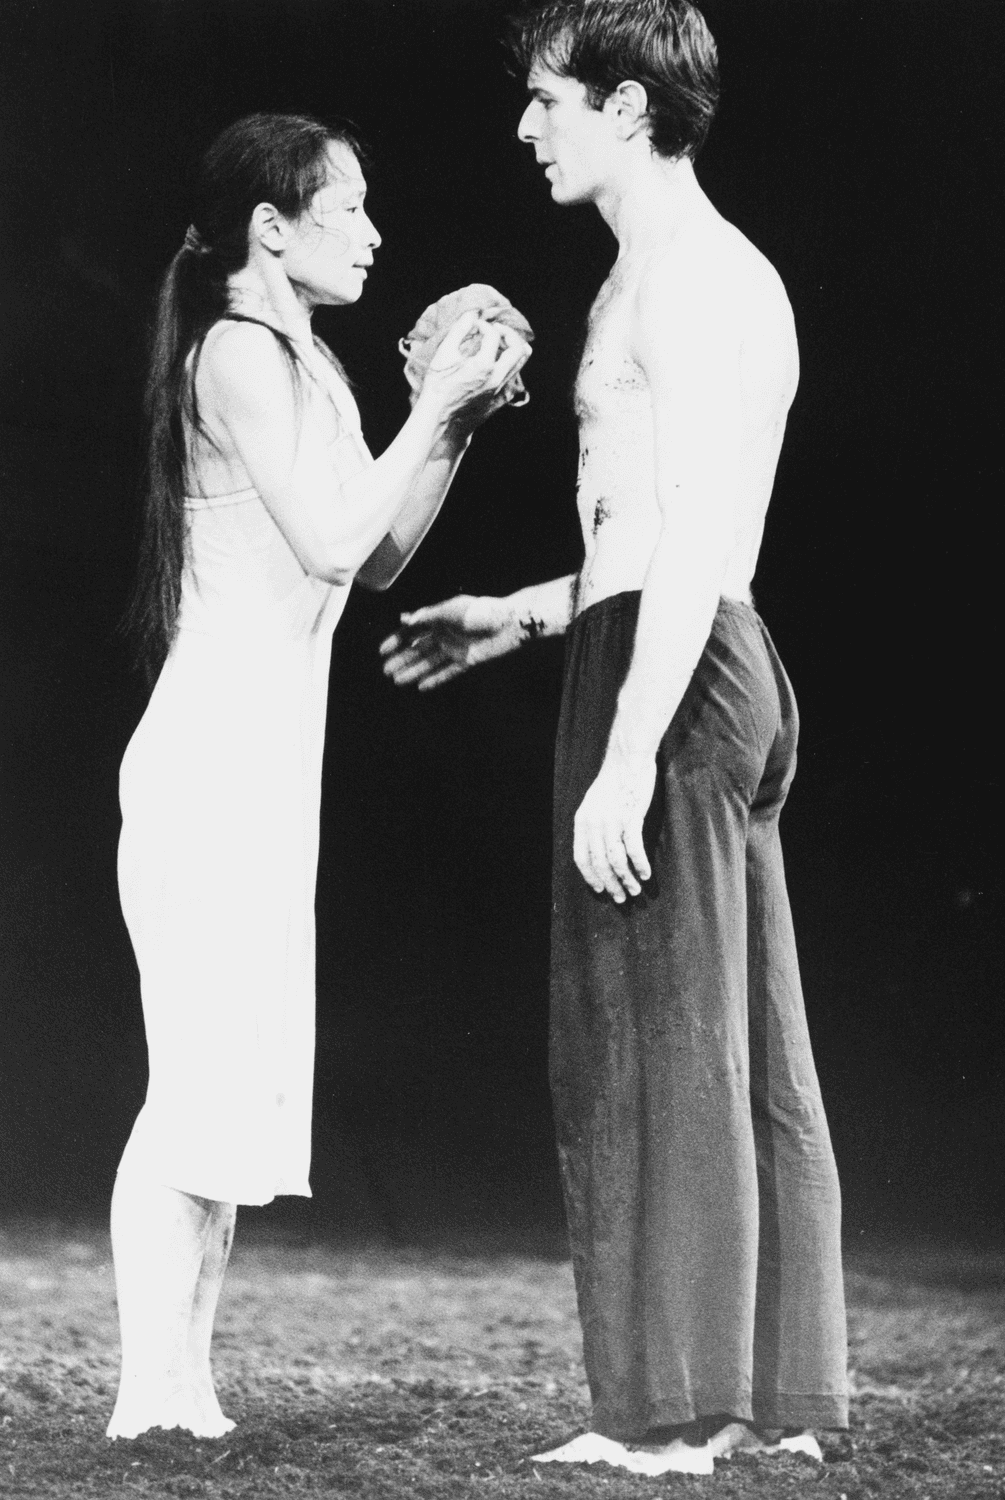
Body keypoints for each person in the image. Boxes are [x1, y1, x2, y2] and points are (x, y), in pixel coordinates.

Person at [381, 0, 847, 1476]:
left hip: (680, 671)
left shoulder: (695, 280)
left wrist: (630, 749)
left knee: (652, 1044)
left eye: (546, 102)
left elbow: (699, 530)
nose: (526, 131)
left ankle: (683, 1412)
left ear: (627, 108)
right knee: (741, 1045)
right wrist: (516, 614)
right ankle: (768, 1402)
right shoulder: (654, 275)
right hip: (674, 647)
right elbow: (644, 528)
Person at [109, 111, 530, 1441]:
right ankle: (143, 1393)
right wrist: (434, 408)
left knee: (224, 1090)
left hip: (266, 765)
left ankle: (188, 1389)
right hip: (208, 759)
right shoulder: (236, 352)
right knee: (190, 1085)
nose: (374, 233)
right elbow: (337, 533)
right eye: (346, 209)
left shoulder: (317, 370)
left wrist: (452, 429)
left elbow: (382, 555)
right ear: (269, 230)